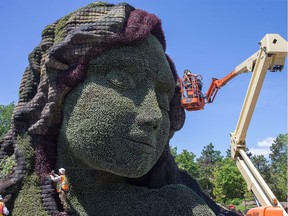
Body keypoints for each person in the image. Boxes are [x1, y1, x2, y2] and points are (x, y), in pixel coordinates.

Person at [0, 2, 239, 215]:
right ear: (59, 92)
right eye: (121, 80)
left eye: (164, 100)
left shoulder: (181, 206)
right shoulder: (17, 196)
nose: (154, 114)